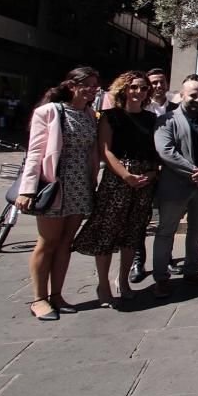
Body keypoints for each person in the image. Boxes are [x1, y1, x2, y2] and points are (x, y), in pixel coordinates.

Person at [17, 67, 100, 321]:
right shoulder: (50, 112)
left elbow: (92, 152)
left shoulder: (89, 115)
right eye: (87, 84)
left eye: (95, 85)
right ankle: (38, 298)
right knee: (47, 241)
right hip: (55, 185)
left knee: (66, 242)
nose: (92, 89)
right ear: (72, 85)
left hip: (80, 186)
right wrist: (28, 189)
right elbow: (35, 152)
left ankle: (57, 295)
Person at [73, 71, 158, 307]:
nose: (138, 92)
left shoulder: (151, 119)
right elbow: (106, 150)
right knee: (108, 231)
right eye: (133, 87)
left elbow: (155, 151)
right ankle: (103, 283)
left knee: (133, 231)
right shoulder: (110, 117)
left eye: (142, 88)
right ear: (123, 90)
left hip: (144, 180)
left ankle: (124, 279)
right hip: (117, 180)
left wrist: (151, 173)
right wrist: (126, 176)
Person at [152, 75, 198, 298]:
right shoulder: (167, 120)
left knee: (197, 230)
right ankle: (161, 278)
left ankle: (192, 270)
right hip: (176, 187)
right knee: (166, 231)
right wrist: (195, 171)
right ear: (182, 95)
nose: (197, 99)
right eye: (193, 95)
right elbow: (166, 152)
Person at [131, 68, 177, 283]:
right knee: (140, 219)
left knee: (167, 219)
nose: (159, 86)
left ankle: (166, 258)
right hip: (145, 172)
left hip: (170, 174)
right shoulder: (139, 109)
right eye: (154, 83)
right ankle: (138, 261)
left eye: (162, 82)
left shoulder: (177, 109)